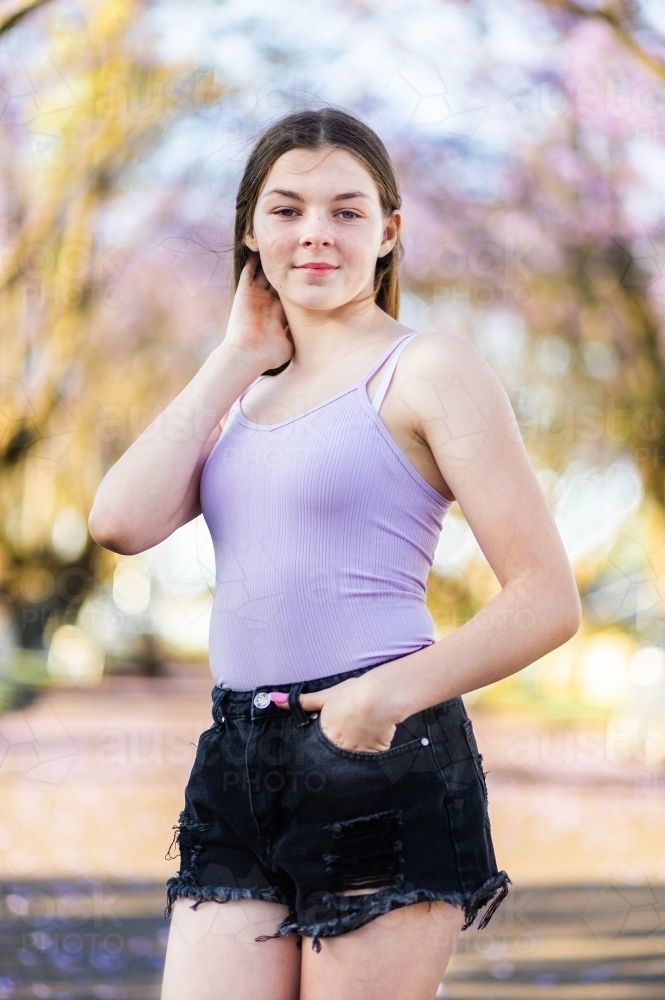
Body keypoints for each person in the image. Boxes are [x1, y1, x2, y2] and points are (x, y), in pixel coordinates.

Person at [88, 107, 581, 1000]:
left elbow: (545, 596)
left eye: (347, 212)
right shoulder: (238, 395)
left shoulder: (427, 368)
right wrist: (235, 354)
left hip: (379, 758)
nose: (315, 232)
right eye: (286, 210)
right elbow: (119, 521)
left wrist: (378, 698)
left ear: (388, 232)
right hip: (235, 760)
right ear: (250, 228)